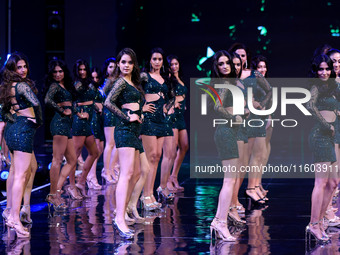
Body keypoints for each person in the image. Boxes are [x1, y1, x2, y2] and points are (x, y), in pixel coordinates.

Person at [0, 52, 42, 237]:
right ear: (12, 69)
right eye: (19, 67)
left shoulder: (6, 87)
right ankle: (15, 218)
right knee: (21, 175)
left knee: (17, 172)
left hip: (12, 130)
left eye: (25, 66)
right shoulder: (22, 86)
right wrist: (37, 120)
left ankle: (11, 212)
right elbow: (37, 105)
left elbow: (4, 113)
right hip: (22, 131)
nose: (23, 70)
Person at [104, 48, 145, 239]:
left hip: (135, 132)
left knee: (136, 173)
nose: (126, 65)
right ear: (118, 64)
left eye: (129, 62)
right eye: (122, 62)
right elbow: (108, 103)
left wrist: (140, 114)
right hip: (125, 131)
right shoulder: (120, 82)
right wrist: (127, 117)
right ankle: (119, 217)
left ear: (134, 64)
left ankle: (122, 211)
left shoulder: (134, 83)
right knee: (127, 173)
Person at [229, 43, 272, 204]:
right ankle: (236, 197)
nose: (241, 58)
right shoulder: (229, 77)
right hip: (240, 120)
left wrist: (260, 105)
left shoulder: (253, 74)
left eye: (243, 55)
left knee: (258, 155)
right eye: (237, 55)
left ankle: (251, 188)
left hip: (255, 118)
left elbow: (269, 91)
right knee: (241, 161)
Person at [306, 54, 338, 242]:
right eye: (321, 69)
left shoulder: (332, 86)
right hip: (320, 136)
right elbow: (311, 105)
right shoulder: (316, 87)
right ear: (315, 70)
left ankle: (321, 221)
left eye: (327, 68)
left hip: (331, 136)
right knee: (321, 182)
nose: (324, 72)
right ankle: (314, 223)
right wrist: (327, 125)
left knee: (333, 182)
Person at [210, 50, 241, 242]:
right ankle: (220, 221)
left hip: (229, 131)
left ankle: (220, 221)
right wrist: (232, 117)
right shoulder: (223, 84)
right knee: (229, 180)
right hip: (225, 131)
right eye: (221, 64)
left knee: (231, 179)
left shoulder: (231, 83)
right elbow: (216, 107)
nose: (225, 66)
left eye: (227, 63)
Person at [140, 48, 174, 209]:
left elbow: (171, 97)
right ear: (150, 60)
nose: (157, 62)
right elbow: (134, 92)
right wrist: (142, 107)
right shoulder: (144, 76)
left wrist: (168, 107)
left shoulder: (165, 77)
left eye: (160, 59)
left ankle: (151, 193)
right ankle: (144, 195)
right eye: (154, 59)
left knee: (157, 156)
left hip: (162, 119)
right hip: (149, 119)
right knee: (149, 156)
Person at [44, 59, 77, 209]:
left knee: (72, 160)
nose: (57, 74)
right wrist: (62, 110)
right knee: (57, 160)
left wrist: (75, 112)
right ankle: (52, 195)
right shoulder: (54, 86)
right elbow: (47, 100)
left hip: (66, 124)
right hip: (59, 124)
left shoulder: (65, 85)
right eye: (55, 72)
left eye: (60, 71)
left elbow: (72, 104)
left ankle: (56, 190)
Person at [68, 59, 98, 199]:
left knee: (94, 152)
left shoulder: (89, 83)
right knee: (74, 156)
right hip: (80, 122)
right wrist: (80, 113)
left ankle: (81, 182)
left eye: (84, 69)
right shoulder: (76, 84)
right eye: (80, 69)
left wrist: (96, 107)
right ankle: (72, 186)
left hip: (88, 121)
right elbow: (70, 102)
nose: (82, 72)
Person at [166, 55, 189, 192]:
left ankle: (174, 176)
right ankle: (167, 180)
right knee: (171, 151)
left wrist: (182, 103)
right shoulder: (168, 80)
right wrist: (173, 103)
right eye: (172, 64)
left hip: (180, 117)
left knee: (184, 146)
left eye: (176, 64)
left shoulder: (180, 78)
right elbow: (164, 96)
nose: (174, 66)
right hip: (171, 116)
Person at [102, 57, 119, 184]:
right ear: (107, 69)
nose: (113, 69)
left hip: (118, 113)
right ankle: (106, 170)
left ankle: (112, 169)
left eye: (114, 66)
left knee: (116, 144)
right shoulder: (107, 82)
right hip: (109, 113)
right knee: (110, 143)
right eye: (110, 67)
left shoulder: (118, 80)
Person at [87, 67, 104, 190]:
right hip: (92, 118)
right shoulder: (88, 88)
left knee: (101, 148)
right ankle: (91, 176)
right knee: (96, 148)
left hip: (101, 120)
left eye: (97, 77)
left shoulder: (100, 89)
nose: (95, 79)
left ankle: (90, 174)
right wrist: (97, 106)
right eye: (92, 77)